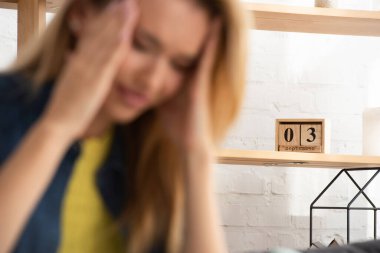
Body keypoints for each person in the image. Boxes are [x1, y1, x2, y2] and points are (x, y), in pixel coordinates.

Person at [0, 0, 247, 252]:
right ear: (80, 15)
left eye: (180, 64)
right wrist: (58, 126)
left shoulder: (153, 153)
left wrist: (197, 156)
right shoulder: (7, 110)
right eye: (141, 44)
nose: (152, 80)